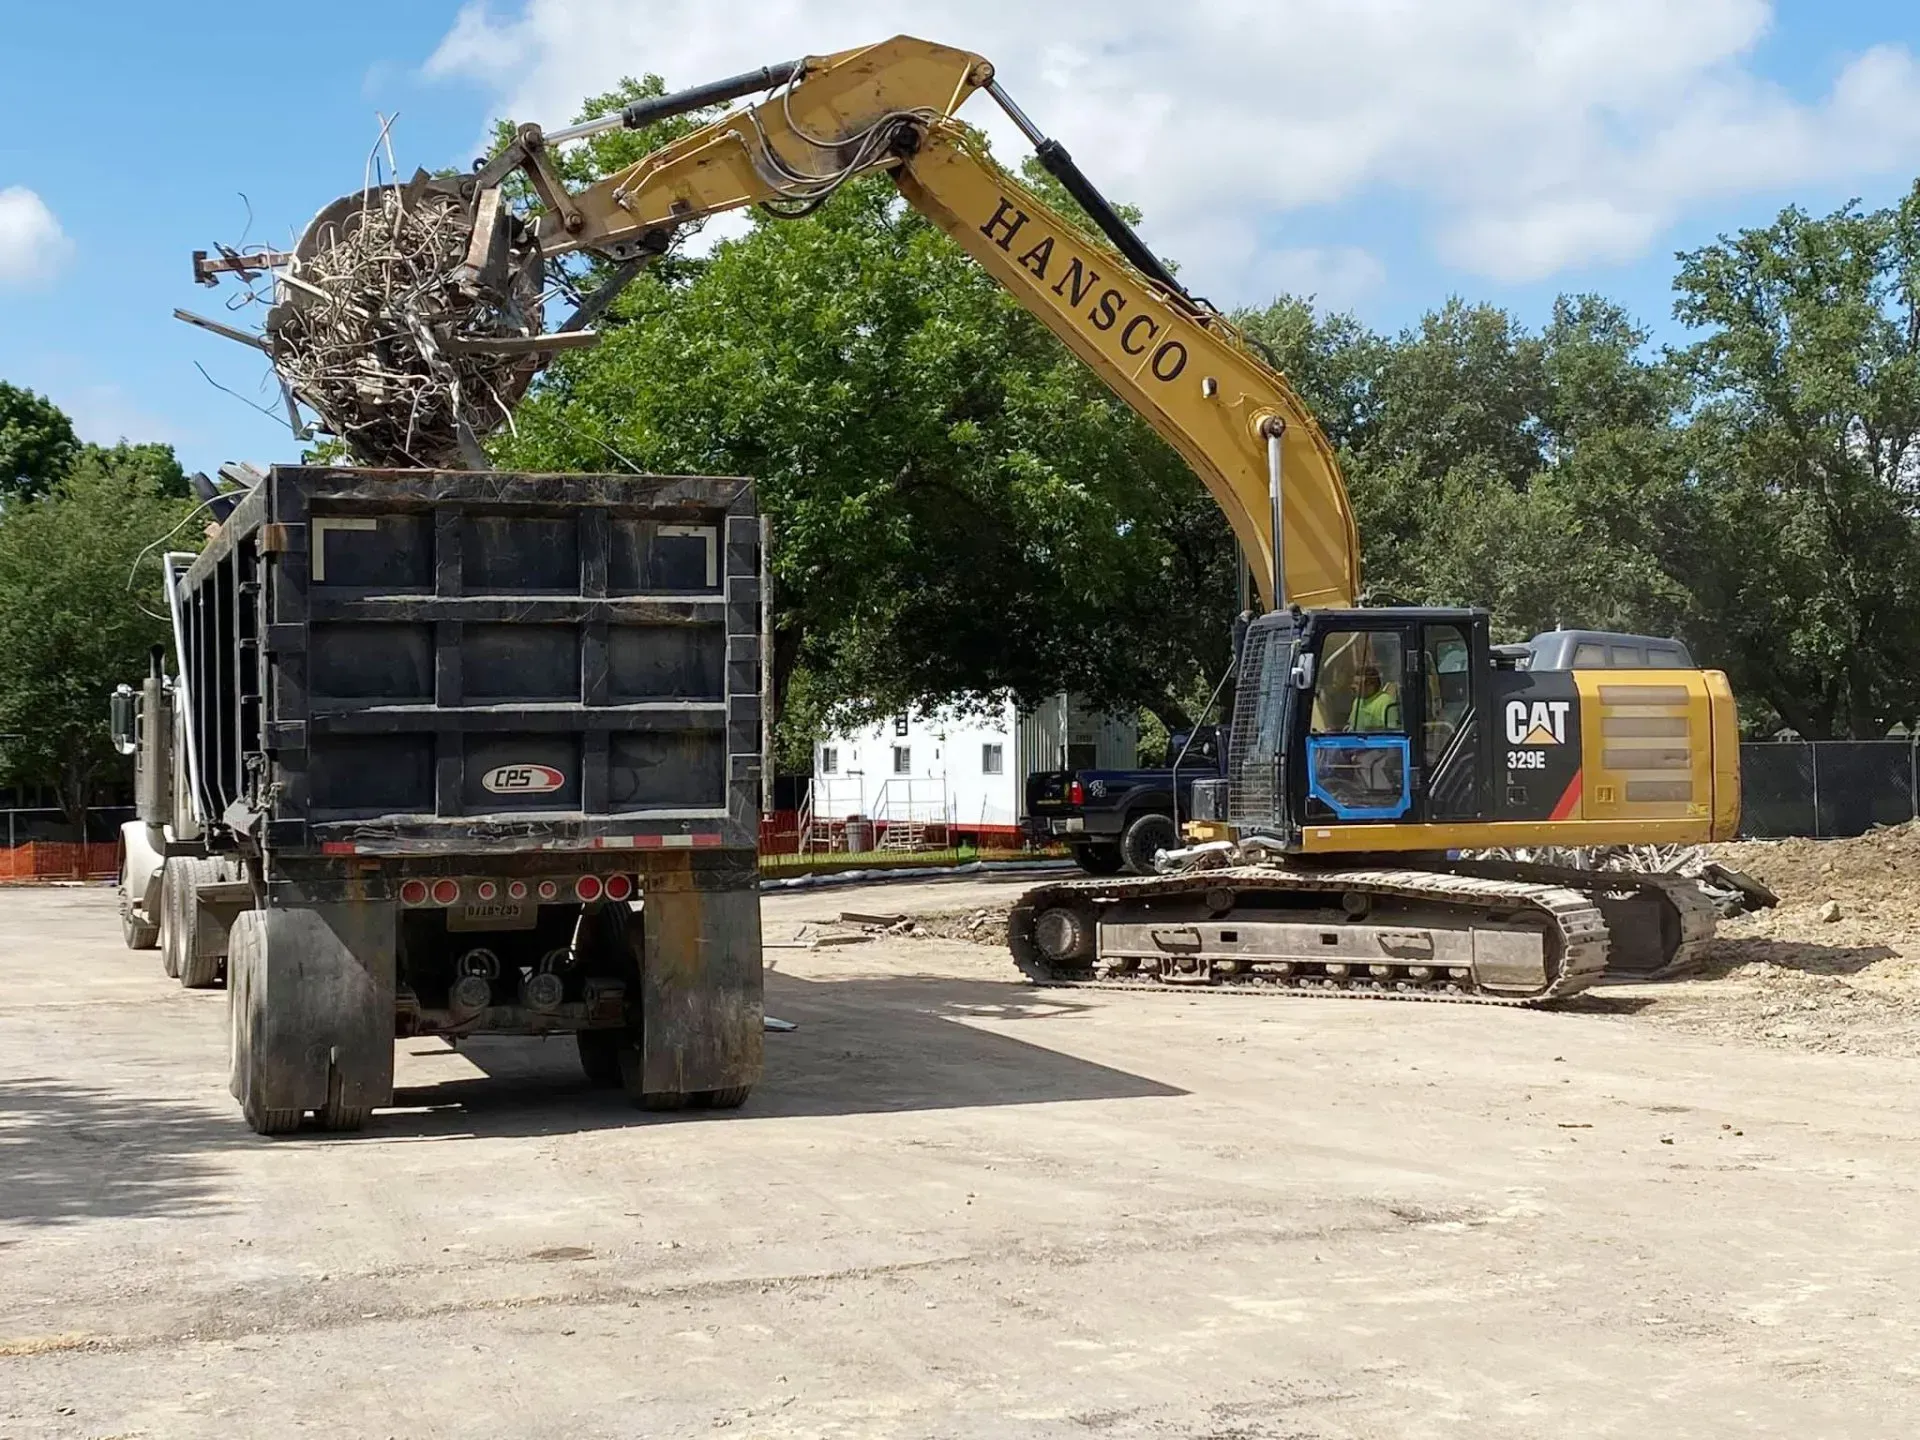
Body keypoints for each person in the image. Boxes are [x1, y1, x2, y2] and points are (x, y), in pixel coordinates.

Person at [1346, 664, 1401, 732]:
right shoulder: (1357, 701)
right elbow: (1352, 725)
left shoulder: (1386, 701)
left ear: (1371, 686)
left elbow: (1391, 730)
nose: (1352, 686)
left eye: (1357, 684)